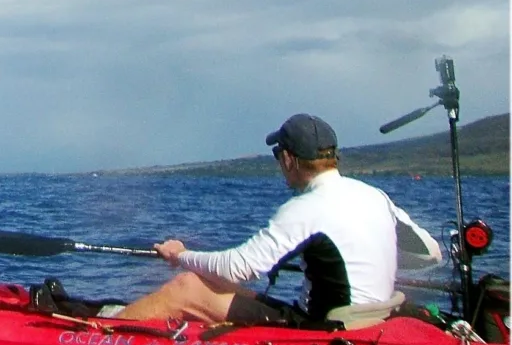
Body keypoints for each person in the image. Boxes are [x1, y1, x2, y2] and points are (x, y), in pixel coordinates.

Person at [114, 113, 443, 324]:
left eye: (277, 156)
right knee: (214, 283)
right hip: (373, 318)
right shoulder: (376, 197)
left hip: (325, 327)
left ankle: (100, 338)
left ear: (289, 159)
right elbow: (430, 252)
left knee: (186, 288)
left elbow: (240, 268)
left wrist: (181, 255)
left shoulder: (308, 207)